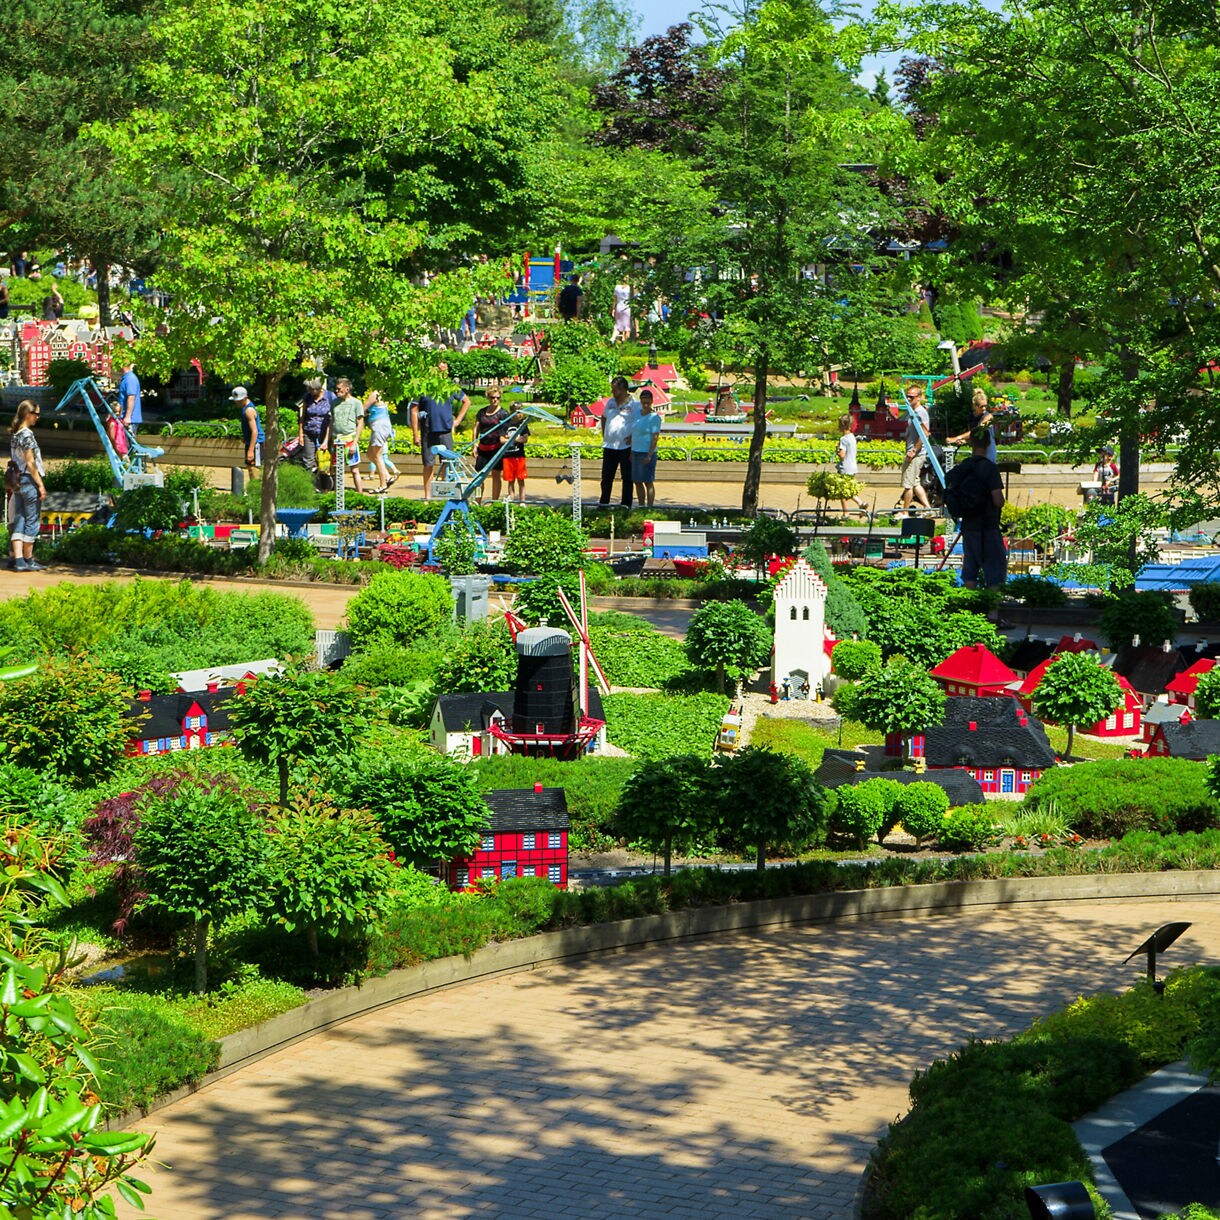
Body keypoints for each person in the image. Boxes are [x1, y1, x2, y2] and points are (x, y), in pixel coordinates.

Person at [945, 425, 1006, 589]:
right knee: (994, 570)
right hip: (988, 525)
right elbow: (998, 500)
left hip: (968, 525)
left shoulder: (963, 467)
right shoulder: (990, 468)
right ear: (988, 443)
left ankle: (970, 602)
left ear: (971, 443)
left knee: (970, 569)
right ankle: (992, 605)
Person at [411, 361, 469, 500]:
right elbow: (414, 410)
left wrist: (457, 421)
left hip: (445, 431)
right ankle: (428, 496)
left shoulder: (450, 387)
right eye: (438, 369)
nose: (441, 372)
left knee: (448, 464)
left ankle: (444, 494)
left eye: (444, 370)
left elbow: (467, 402)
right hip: (428, 431)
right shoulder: (423, 387)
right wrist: (415, 433)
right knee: (428, 465)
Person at [7, 400, 46, 572]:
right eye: (36, 414)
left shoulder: (15, 434)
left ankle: (18, 560)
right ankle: (28, 559)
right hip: (29, 480)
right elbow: (30, 463)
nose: (38, 417)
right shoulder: (27, 435)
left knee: (20, 518)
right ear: (27, 414)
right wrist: (41, 485)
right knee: (32, 520)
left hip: (17, 481)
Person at [599, 376, 639, 508]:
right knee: (606, 477)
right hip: (609, 446)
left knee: (627, 478)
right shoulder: (610, 402)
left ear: (623, 389)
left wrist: (633, 437)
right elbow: (603, 417)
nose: (612, 392)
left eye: (614, 390)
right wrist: (605, 433)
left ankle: (625, 506)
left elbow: (640, 423)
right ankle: (603, 504)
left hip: (626, 447)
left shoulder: (635, 405)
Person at [472, 387, 509, 502]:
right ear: (488, 397)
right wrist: (474, 444)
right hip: (483, 448)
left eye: (498, 397)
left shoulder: (503, 413)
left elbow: (506, 431)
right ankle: (477, 502)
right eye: (492, 397)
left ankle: (494, 502)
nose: (495, 400)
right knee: (479, 476)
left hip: (496, 449)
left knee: (496, 475)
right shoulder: (482, 412)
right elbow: (476, 428)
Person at [899, 383, 932, 511]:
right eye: (907, 396)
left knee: (908, 485)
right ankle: (928, 508)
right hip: (913, 451)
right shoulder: (912, 411)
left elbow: (924, 434)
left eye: (911, 397)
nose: (908, 399)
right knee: (915, 483)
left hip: (916, 454)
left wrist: (914, 451)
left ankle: (905, 512)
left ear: (919, 397)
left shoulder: (920, 412)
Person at [331, 377, 365, 496]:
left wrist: (355, 443)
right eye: (336, 389)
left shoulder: (356, 403)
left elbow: (360, 423)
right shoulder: (334, 403)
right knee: (337, 470)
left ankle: (360, 495)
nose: (336, 391)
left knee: (354, 470)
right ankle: (338, 496)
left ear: (347, 389)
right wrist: (327, 440)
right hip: (337, 440)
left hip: (349, 439)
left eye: (339, 389)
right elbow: (331, 422)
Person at [631, 388, 662, 507]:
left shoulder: (654, 417)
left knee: (648, 481)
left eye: (648, 402)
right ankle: (641, 505)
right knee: (637, 481)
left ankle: (649, 506)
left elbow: (655, 437)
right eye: (643, 402)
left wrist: (649, 455)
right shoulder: (636, 414)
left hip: (647, 453)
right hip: (635, 451)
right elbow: (633, 433)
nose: (645, 405)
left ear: (652, 402)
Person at [295, 377, 333, 473]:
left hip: (324, 433)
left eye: (311, 389)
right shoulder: (307, 397)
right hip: (309, 432)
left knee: (324, 462)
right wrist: (301, 434)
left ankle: (324, 480)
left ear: (318, 388)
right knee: (308, 461)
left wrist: (326, 440)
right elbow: (303, 416)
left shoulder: (330, 397)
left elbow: (332, 419)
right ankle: (309, 480)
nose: (309, 391)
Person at [949, 388, 996, 462]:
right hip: (976, 453)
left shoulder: (988, 417)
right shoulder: (971, 417)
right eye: (981, 406)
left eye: (985, 406)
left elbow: (978, 431)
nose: (984, 408)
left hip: (988, 453)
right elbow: (974, 437)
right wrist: (965, 441)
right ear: (975, 406)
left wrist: (957, 438)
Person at [835, 413, 869, 516]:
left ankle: (846, 513)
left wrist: (837, 450)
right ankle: (860, 503)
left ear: (841, 425)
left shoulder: (843, 439)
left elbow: (842, 455)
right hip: (852, 466)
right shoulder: (852, 437)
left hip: (845, 467)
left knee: (842, 491)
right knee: (848, 488)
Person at [365, 390, 398, 494]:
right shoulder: (382, 395)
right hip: (380, 426)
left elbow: (363, 408)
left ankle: (383, 485)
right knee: (370, 454)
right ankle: (387, 477)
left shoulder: (375, 394)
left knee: (377, 456)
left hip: (379, 426)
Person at [231, 386, 263, 468]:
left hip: (256, 443)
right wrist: (246, 437)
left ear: (245, 397)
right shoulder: (244, 408)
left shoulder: (249, 410)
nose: (237, 402)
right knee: (249, 467)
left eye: (239, 400)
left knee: (254, 468)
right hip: (250, 442)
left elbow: (255, 431)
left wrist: (251, 450)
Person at [503, 409, 530, 503]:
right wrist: (516, 438)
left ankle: (522, 500)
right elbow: (502, 439)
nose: (520, 415)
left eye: (521, 412)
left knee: (521, 479)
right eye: (518, 412)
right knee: (510, 480)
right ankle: (511, 499)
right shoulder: (506, 424)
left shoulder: (522, 425)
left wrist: (512, 439)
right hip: (508, 456)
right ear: (512, 412)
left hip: (519, 455)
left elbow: (525, 439)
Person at [117, 361, 142, 436]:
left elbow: (131, 397)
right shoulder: (126, 378)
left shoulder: (130, 379)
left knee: (127, 442)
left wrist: (127, 417)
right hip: (125, 418)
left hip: (130, 420)